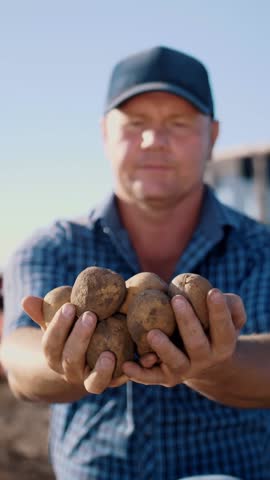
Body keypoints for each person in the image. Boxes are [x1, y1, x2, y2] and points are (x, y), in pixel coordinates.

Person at [1, 45, 270, 480]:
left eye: (178, 124)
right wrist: (63, 362)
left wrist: (221, 362)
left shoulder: (263, 250)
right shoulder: (52, 247)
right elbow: (18, 354)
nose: (154, 140)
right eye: (135, 124)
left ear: (213, 135)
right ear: (105, 133)